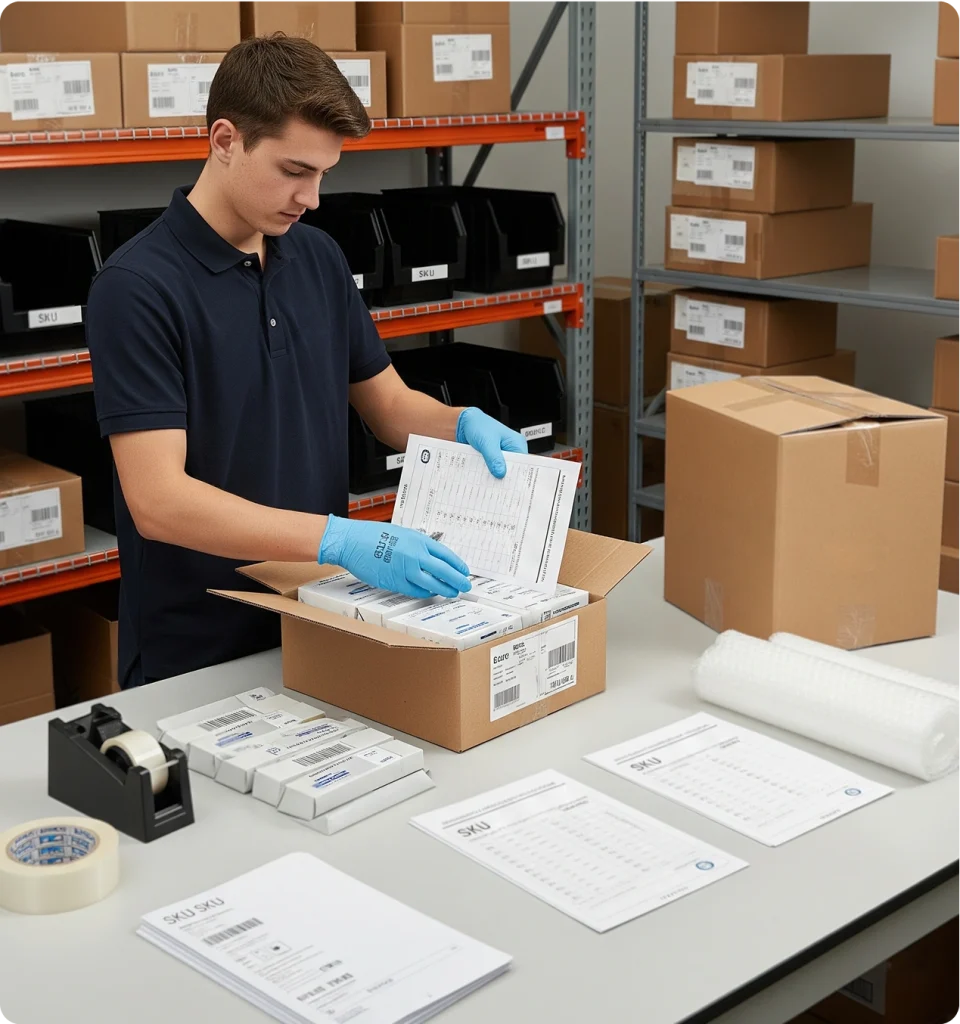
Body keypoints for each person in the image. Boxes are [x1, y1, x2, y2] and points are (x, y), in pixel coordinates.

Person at [85, 35, 527, 690]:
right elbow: (158, 500)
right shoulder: (138, 288)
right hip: (199, 645)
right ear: (225, 140)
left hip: (321, 616)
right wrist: (341, 540)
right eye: (294, 171)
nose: (312, 197)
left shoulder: (316, 258)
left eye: (324, 174)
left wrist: (461, 423)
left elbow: (389, 408)